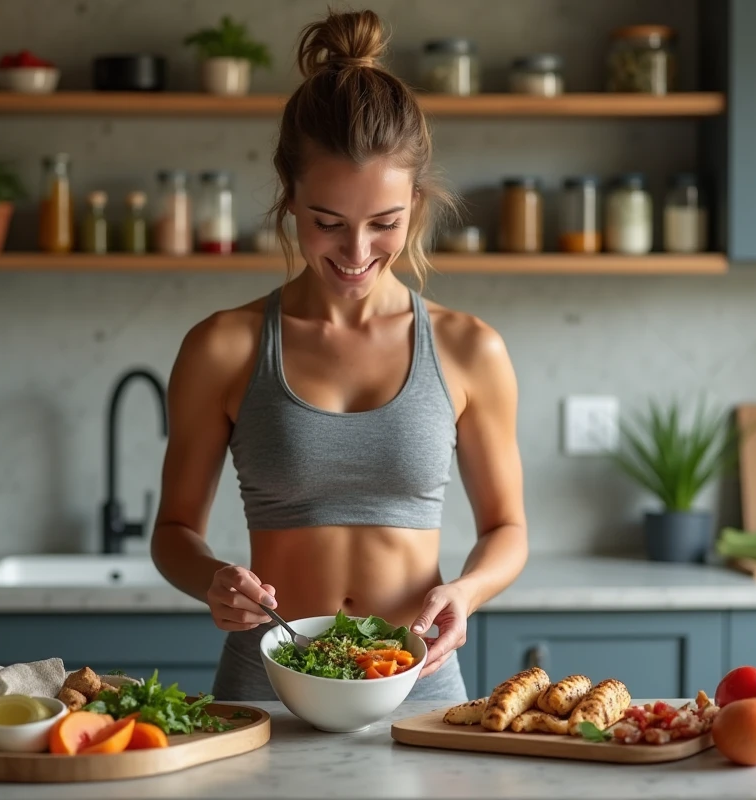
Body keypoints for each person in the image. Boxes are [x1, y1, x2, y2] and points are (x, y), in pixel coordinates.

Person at [151, 8, 527, 703]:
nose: (357, 254)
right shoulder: (223, 347)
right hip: (266, 687)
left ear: (414, 204)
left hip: (420, 687)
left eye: (384, 224)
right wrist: (211, 578)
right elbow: (174, 531)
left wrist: (467, 592)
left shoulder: (469, 348)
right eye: (328, 224)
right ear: (289, 197)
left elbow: (507, 528)